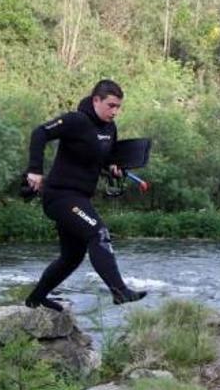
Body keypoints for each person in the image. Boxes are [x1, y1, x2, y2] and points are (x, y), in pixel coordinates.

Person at [24, 79, 146, 311]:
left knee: (72, 257)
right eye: (111, 105)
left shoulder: (110, 129)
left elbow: (102, 159)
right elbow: (39, 133)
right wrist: (35, 170)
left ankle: (36, 299)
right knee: (98, 233)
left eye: (118, 106)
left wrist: (112, 167)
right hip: (60, 196)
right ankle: (119, 291)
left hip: (80, 198)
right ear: (96, 100)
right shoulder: (75, 121)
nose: (115, 111)